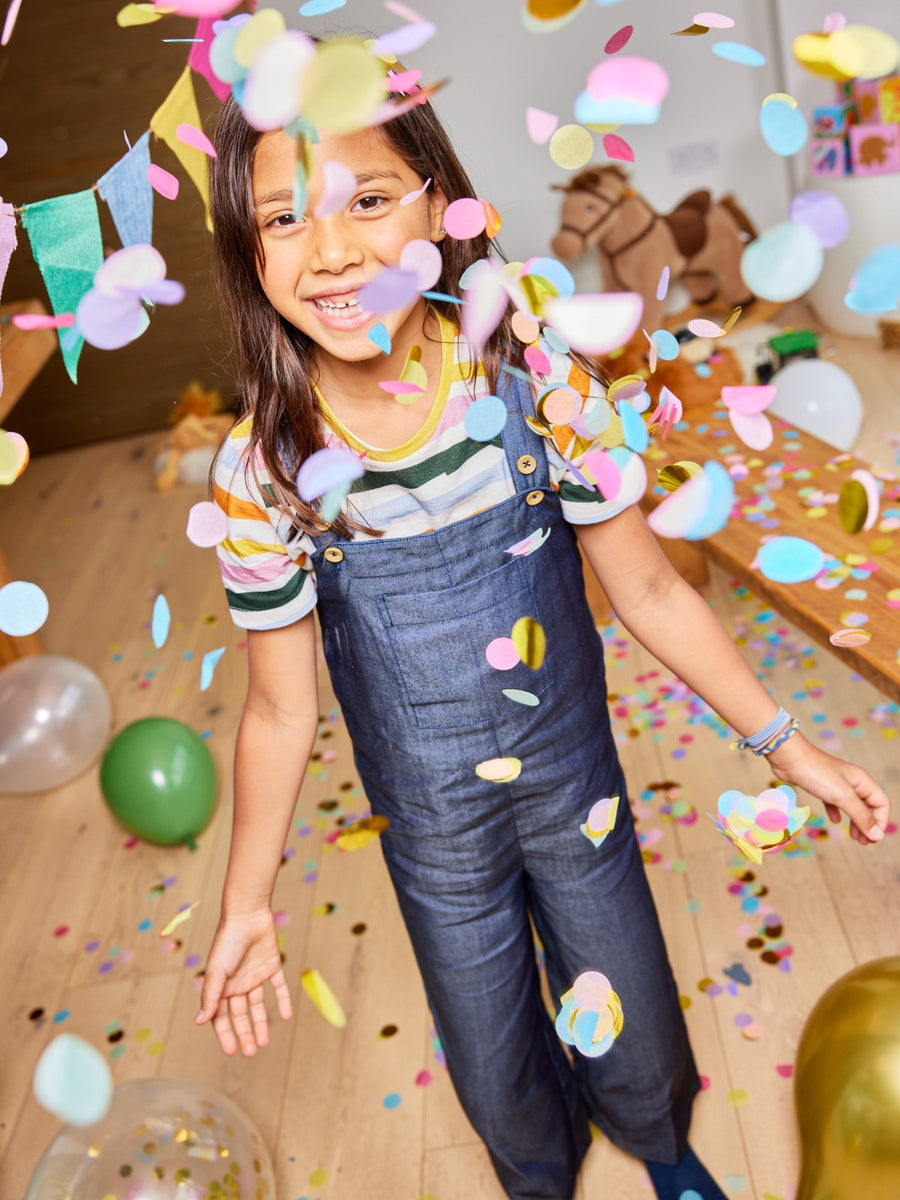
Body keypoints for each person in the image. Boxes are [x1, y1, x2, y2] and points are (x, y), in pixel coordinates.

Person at [196, 51, 890, 1200]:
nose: (330, 251)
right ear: (246, 249)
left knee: (631, 997)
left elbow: (654, 591)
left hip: (578, 789)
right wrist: (248, 906)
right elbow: (278, 707)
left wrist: (790, 746)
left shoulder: (538, 385)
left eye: (367, 200)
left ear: (439, 200)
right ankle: (538, 1178)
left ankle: (663, 1149)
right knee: (489, 1044)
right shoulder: (263, 471)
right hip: (430, 834)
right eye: (283, 217)